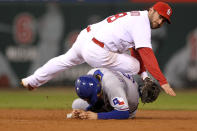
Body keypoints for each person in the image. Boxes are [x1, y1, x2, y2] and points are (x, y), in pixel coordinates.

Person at [21, 2, 176, 96]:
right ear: (151, 10)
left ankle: (31, 81)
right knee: (134, 65)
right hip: (97, 50)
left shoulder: (137, 18)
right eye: (159, 16)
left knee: (64, 61)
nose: (160, 21)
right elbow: (146, 55)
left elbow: (136, 50)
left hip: (86, 37)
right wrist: (162, 81)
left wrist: (145, 78)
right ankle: (108, 94)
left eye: (164, 20)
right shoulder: (142, 24)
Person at [68, 68, 160, 120]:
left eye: (88, 98)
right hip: (117, 88)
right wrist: (83, 112)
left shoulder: (112, 85)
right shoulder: (90, 75)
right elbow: (94, 100)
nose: (87, 100)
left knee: (112, 109)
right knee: (76, 104)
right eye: (85, 99)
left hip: (128, 105)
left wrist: (96, 116)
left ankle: (104, 110)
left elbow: (124, 113)